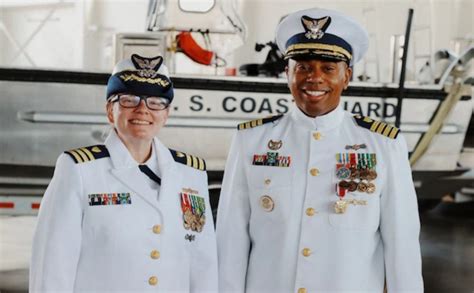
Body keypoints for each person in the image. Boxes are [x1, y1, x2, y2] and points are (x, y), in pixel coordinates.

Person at [217, 8, 423, 293]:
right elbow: (231, 240)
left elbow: (402, 246)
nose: (314, 78)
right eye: (302, 67)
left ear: (347, 76)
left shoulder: (384, 145)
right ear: (287, 73)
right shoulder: (250, 141)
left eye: (328, 68)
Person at [30, 54, 218, 292]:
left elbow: (204, 264)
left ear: (166, 114)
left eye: (156, 102)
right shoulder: (79, 170)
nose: (143, 110)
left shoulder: (191, 173)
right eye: (130, 100)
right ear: (110, 110)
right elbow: (53, 264)